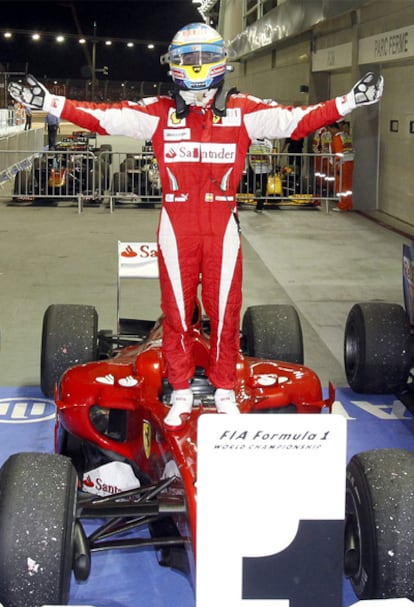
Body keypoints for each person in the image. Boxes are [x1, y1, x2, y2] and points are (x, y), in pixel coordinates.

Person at [8, 22, 384, 428]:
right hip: (176, 223)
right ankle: (182, 391)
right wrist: (51, 102)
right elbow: (104, 118)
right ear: (172, 65)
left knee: (226, 312)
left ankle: (224, 391)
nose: (197, 67)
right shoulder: (157, 112)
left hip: (223, 224)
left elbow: (296, 121)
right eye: (188, 59)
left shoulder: (244, 111)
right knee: (176, 312)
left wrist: (348, 102)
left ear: (221, 62)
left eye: (205, 57)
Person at [326, 121, 354, 211]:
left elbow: (339, 153)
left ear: (332, 128)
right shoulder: (345, 136)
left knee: (341, 185)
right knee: (348, 186)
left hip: (343, 163)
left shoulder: (337, 138)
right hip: (350, 162)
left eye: (329, 130)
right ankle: (348, 205)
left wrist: (336, 166)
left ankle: (342, 205)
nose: (329, 132)